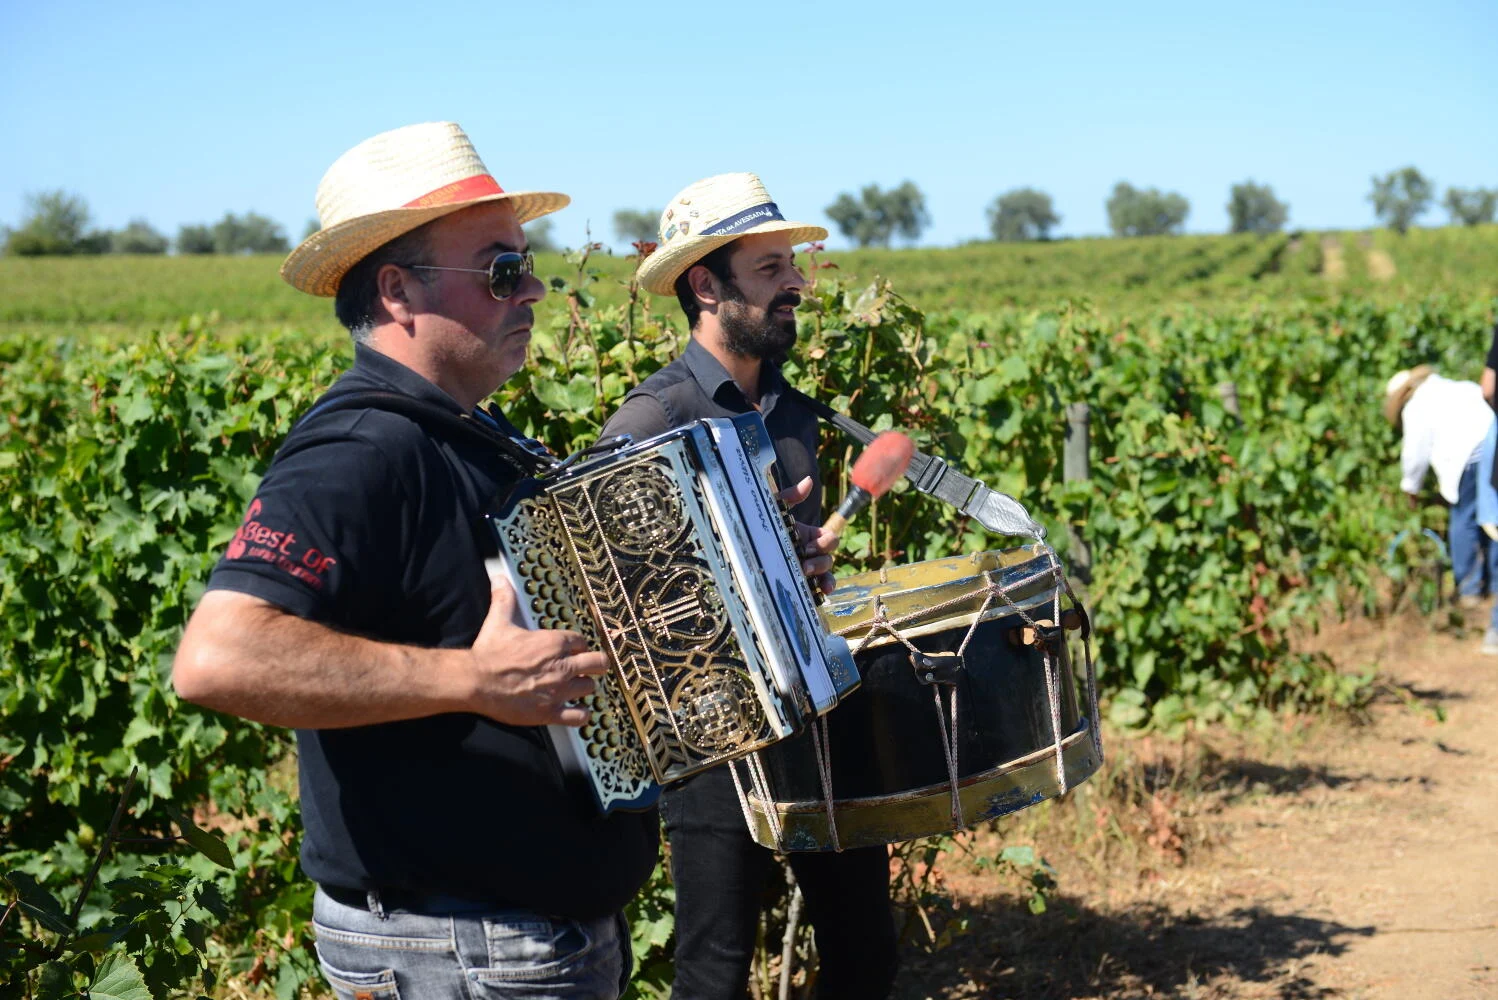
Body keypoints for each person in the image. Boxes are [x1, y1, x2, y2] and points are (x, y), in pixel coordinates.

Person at [171, 122, 661, 999]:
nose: (537, 289)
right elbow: (219, 658)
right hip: (458, 947)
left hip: (511, 938)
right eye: (503, 270)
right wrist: (468, 682)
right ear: (397, 292)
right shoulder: (360, 449)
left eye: (528, 263)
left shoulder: (466, 434)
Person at [601, 173, 900, 1000]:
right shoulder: (649, 422)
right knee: (713, 969)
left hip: (817, 713)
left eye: (791, 266)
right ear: (707, 285)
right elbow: (612, 604)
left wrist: (803, 564)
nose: (797, 284)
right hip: (712, 740)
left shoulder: (794, 412)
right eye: (771, 269)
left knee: (865, 954)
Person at [1384, 366, 1498, 653]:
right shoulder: (1453, 386)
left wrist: (1410, 488)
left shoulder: (1417, 405)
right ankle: (1493, 584)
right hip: (1493, 442)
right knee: (1493, 519)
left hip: (1470, 456)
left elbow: (1415, 455)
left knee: (1463, 519)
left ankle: (1469, 589)